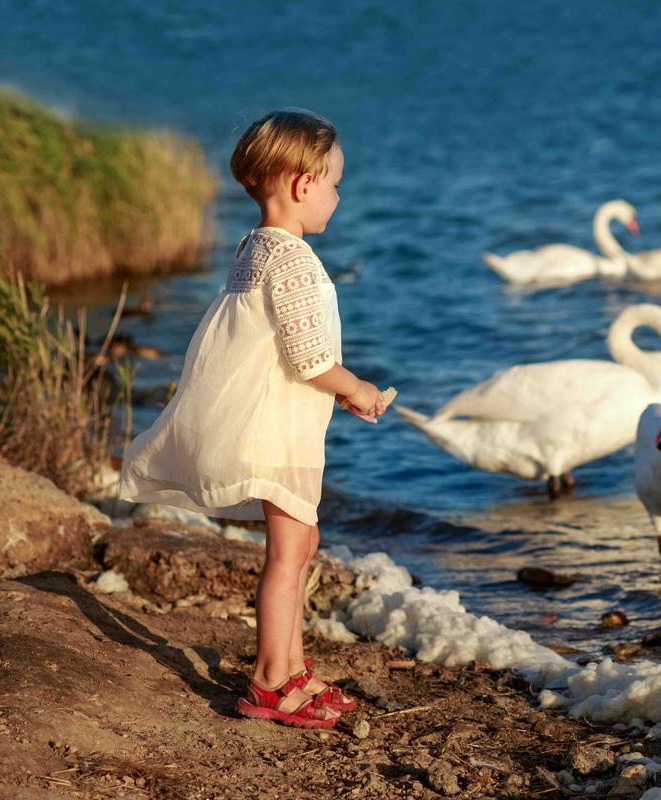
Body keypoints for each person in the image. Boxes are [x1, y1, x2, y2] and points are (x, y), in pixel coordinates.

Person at [119, 109, 387, 728]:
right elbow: (311, 355)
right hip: (277, 430)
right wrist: (360, 389)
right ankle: (270, 682)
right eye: (334, 184)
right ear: (301, 184)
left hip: (279, 418)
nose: (338, 197)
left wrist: (333, 387)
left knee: (302, 543)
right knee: (289, 553)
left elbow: (274, 344)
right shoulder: (290, 259)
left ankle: (291, 668)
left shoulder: (254, 247)